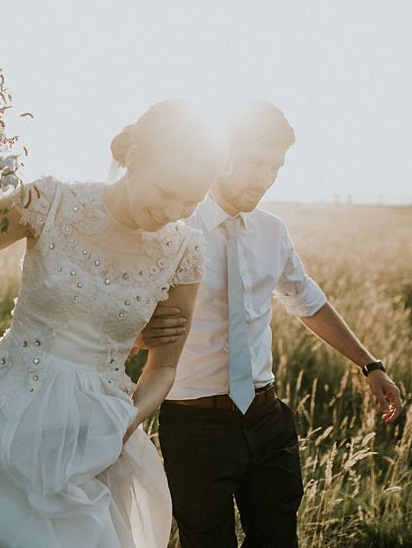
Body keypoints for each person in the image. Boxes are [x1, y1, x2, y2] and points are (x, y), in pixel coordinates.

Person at [0, 100, 226, 548]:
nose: (175, 211)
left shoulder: (185, 250)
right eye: (168, 190)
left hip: (101, 432)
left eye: (192, 201)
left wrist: (121, 424)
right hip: (13, 418)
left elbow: (164, 368)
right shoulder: (46, 201)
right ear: (133, 158)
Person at [140, 100, 404, 548]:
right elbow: (124, 311)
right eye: (255, 163)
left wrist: (370, 364)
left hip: (267, 419)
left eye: (275, 167)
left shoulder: (272, 231)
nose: (264, 178)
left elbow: (308, 301)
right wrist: (139, 334)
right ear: (223, 155)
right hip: (194, 425)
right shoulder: (175, 227)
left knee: (278, 539)